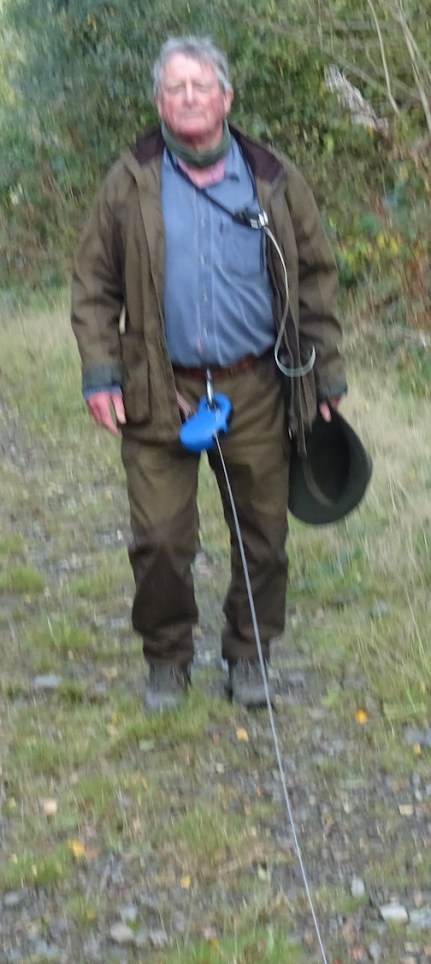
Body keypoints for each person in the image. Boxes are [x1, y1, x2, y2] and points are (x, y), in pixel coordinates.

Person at [71, 35, 347, 713]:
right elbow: (94, 283)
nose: (189, 97)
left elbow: (315, 279)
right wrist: (102, 373)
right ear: (158, 102)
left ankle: (249, 655)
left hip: (256, 385)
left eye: (201, 85)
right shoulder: (128, 180)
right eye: (175, 87)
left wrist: (326, 377)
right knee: (161, 539)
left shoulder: (272, 177)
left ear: (226, 97)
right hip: (158, 388)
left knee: (264, 536)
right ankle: (167, 660)